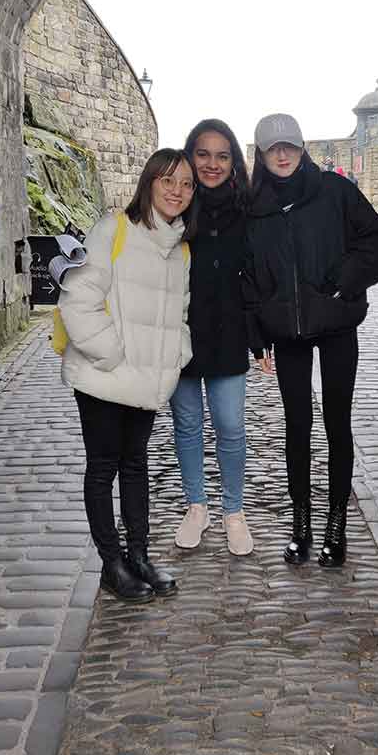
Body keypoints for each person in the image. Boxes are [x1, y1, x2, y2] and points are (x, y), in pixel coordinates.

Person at [243, 114, 378, 568]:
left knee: (336, 422)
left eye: (289, 146)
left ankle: (336, 523)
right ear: (262, 156)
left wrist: (343, 283)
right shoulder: (254, 208)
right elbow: (247, 277)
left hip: (336, 324)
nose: (283, 155)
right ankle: (301, 522)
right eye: (273, 149)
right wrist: (258, 334)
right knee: (297, 427)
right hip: (288, 333)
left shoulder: (335, 191)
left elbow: (376, 240)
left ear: (302, 147)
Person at [57, 149, 196, 602]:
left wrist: (174, 357)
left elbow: (180, 315)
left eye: (187, 184)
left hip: (146, 379)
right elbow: (78, 298)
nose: (177, 191)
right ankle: (111, 564)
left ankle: (138, 555)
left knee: (135, 465)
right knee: (103, 468)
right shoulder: (112, 230)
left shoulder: (181, 248)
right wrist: (110, 355)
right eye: (168, 180)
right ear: (149, 182)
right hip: (104, 374)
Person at [170, 119, 253, 556]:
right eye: (203, 154)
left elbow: (261, 273)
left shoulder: (247, 207)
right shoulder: (176, 204)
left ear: (233, 160)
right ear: (190, 156)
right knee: (186, 425)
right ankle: (196, 505)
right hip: (181, 333)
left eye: (222, 155)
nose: (212, 163)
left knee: (231, 427)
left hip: (228, 332)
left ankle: (234, 511)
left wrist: (262, 337)